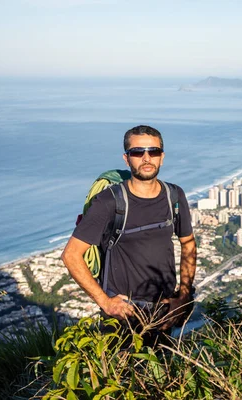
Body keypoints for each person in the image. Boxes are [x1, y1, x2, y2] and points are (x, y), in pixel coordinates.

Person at [62, 125, 196, 345]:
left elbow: (188, 243)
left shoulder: (174, 195)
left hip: (164, 312)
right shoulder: (109, 201)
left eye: (153, 152)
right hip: (123, 315)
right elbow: (71, 255)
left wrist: (183, 296)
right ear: (127, 159)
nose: (146, 158)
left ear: (162, 157)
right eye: (137, 152)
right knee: (123, 377)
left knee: (162, 375)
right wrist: (105, 302)